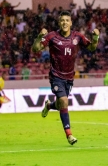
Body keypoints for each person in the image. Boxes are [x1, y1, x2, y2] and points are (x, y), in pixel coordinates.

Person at [32, 11, 99, 145]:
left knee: (61, 103)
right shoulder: (52, 36)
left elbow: (91, 48)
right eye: (62, 20)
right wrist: (39, 37)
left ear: (71, 23)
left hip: (69, 77)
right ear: (59, 22)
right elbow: (35, 49)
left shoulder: (77, 36)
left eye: (67, 20)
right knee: (63, 100)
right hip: (56, 76)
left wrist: (96, 38)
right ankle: (69, 135)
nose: (64, 23)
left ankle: (50, 105)